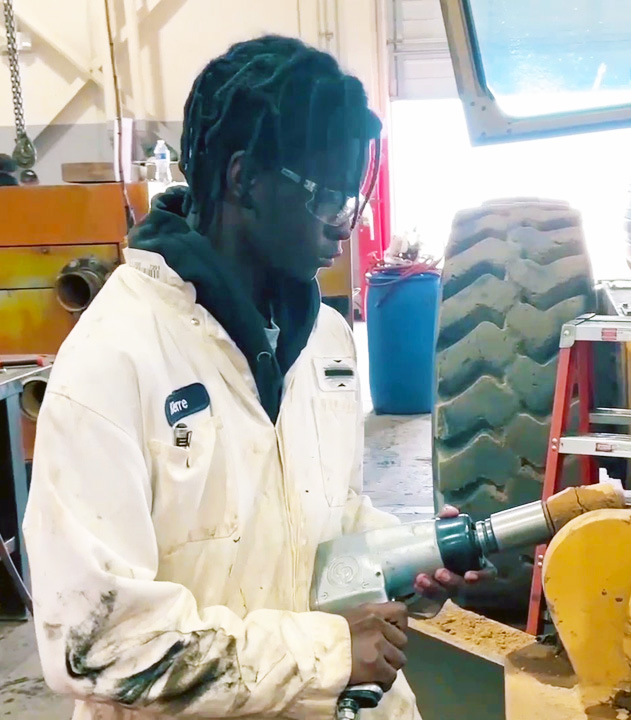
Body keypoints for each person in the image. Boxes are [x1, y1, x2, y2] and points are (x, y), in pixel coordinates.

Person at [23, 36, 485, 720]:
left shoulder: (326, 341)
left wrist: (405, 560)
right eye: (328, 197)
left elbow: (329, 525)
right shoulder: (115, 359)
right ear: (243, 180)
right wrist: (328, 653)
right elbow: (97, 643)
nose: (345, 228)